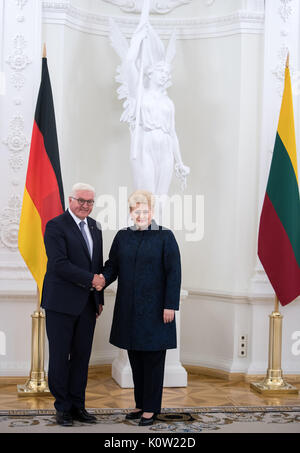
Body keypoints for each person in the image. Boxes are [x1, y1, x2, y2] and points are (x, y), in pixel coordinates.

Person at [97, 190, 181, 426]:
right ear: (131, 212)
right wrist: (102, 279)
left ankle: (151, 409)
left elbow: (174, 273)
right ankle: (140, 404)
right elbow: (112, 266)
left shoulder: (166, 236)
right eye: (136, 210)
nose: (141, 214)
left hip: (157, 311)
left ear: (152, 212)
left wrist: (170, 305)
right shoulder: (122, 237)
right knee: (135, 357)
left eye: (145, 210)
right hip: (129, 310)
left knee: (153, 360)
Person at [41, 183, 105, 427]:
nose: (85, 205)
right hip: (60, 303)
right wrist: (92, 280)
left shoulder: (95, 226)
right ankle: (63, 408)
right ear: (70, 200)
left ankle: (78, 406)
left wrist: (97, 299)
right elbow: (59, 264)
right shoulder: (56, 226)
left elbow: (96, 265)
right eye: (81, 200)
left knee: (81, 357)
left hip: (87, 305)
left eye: (90, 202)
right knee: (59, 357)